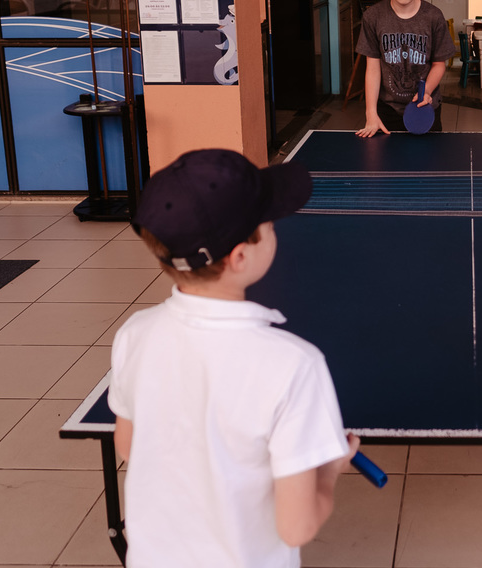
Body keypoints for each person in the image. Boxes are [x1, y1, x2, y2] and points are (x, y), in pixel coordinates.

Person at [109, 149, 359, 566]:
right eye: (270, 223)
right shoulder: (294, 365)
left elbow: (129, 445)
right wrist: (329, 471)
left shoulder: (135, 333)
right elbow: (296, 528)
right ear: (240, 256)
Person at [355, 0, 455, 136]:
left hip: (425, 107)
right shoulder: (373, 17)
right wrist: (370, 113)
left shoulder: (434, 17)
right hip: (387, 109)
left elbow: (439, 64)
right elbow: (373, 69)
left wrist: (427, 91)